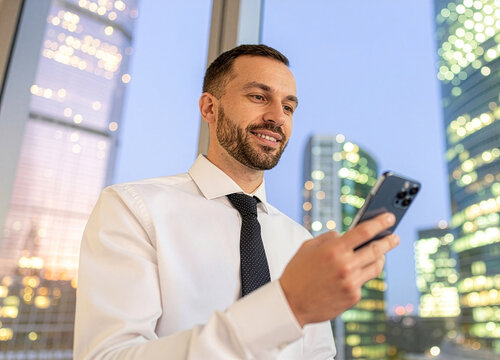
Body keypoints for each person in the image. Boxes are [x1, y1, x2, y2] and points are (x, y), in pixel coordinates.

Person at [74, 44, 399, 359]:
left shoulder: (300, 241)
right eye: (259, 97)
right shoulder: (134, 209)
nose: (277, 117)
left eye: (288, 107)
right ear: (209, 108)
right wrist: (286, 306)